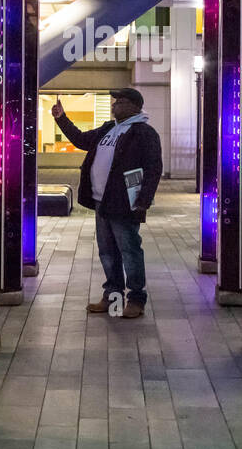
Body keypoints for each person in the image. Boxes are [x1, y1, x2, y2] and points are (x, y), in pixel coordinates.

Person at [51, 88, 162, 318]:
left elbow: (153, 169)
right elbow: (81, 140)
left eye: (120, 102)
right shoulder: (109, 129)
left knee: (129, 250)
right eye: (115, 102)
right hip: (102, 201)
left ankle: (136, 299)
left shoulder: (144, 132)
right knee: (107, 252)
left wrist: (144, 201)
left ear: (135, 106)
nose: (115, 105)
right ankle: (112, 296)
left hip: (125, 204)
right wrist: (61, 118)